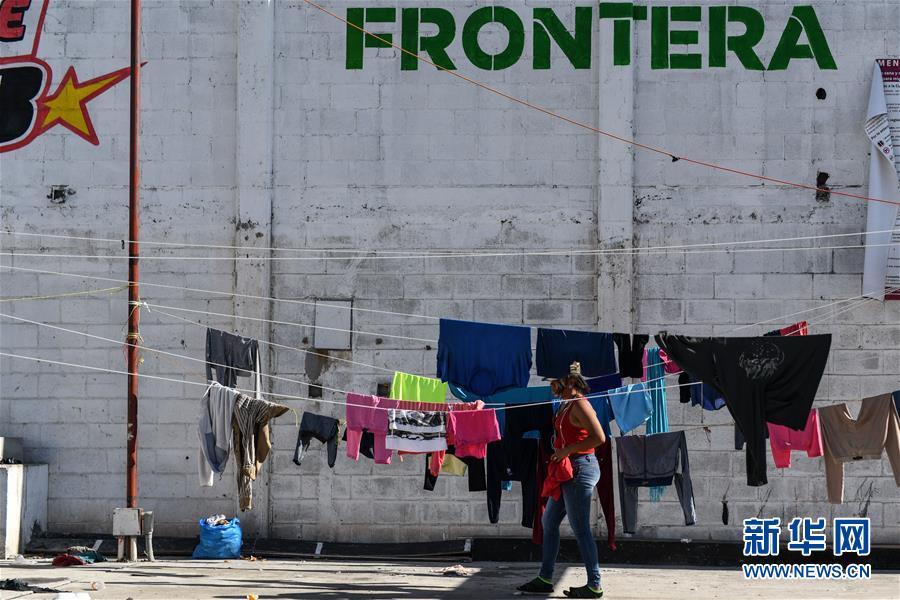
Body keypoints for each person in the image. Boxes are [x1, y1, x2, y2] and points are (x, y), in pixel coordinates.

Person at [517, 361, 606, 598]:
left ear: (568, 381)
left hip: (580, 469)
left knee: (580, 529)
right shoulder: (566, 405)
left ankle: (594, 584)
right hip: (568, 471)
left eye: (555, 382)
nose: (552, 386)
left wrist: (567, 451)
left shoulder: (580, 405)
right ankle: (546, 578)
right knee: (549, 522)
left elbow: (599, 437)